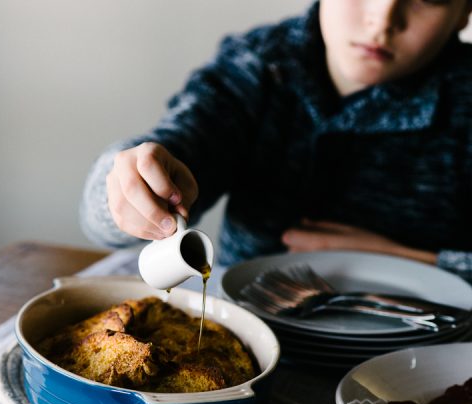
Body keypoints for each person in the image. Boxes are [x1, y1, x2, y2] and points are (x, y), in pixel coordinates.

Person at [80, 0, 472, 284]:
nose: (383, 19)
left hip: (421, 367)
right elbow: (175, 147)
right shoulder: (260, 65)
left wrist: (414, 262)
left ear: (464, 13)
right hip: (242, 335)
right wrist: (125, 184)